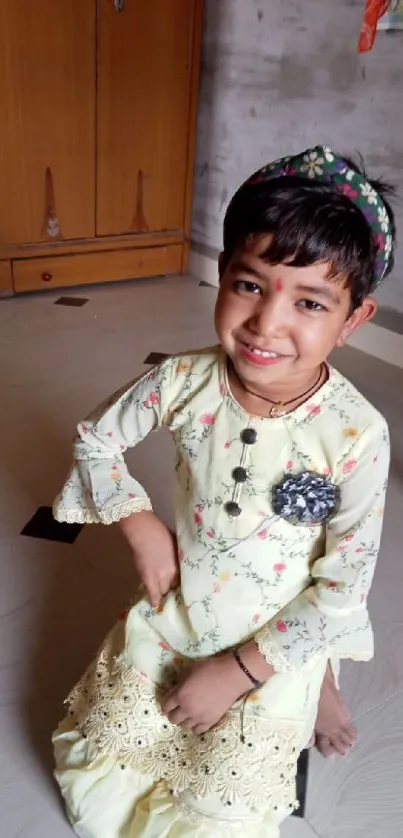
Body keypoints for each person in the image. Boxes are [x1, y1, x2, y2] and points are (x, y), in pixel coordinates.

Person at [52, 145, 395, 838]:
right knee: (96, 795)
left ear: (354, 318)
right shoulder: (181, 381)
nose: (267, 325)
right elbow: (96, 439)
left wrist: (238, 672)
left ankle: (317, 684)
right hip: (182, 608)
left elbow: (338, 591)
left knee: (218, 816)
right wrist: (140, 524)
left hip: (276, 630)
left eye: (308, 302)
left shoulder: (357, 435)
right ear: (219, 275)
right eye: (249, 285)